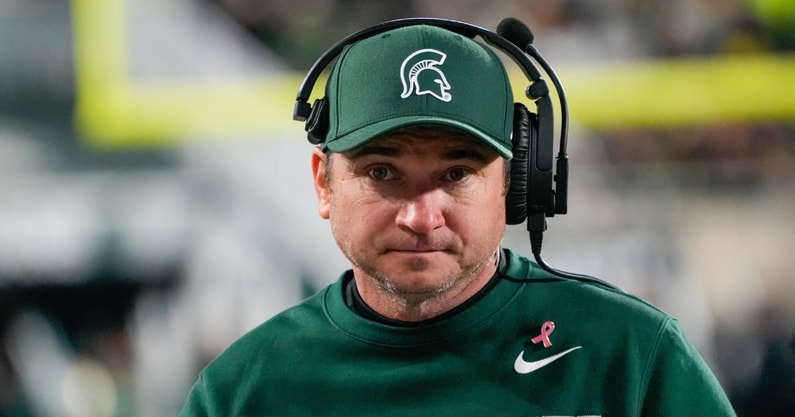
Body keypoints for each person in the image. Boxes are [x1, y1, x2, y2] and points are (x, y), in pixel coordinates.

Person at [178, 18, 737, 416]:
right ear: (324, 182)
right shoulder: (243, 391)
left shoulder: (630, 356)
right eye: (382, 172)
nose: (421, 217)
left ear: (515, 184)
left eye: (456, 174)